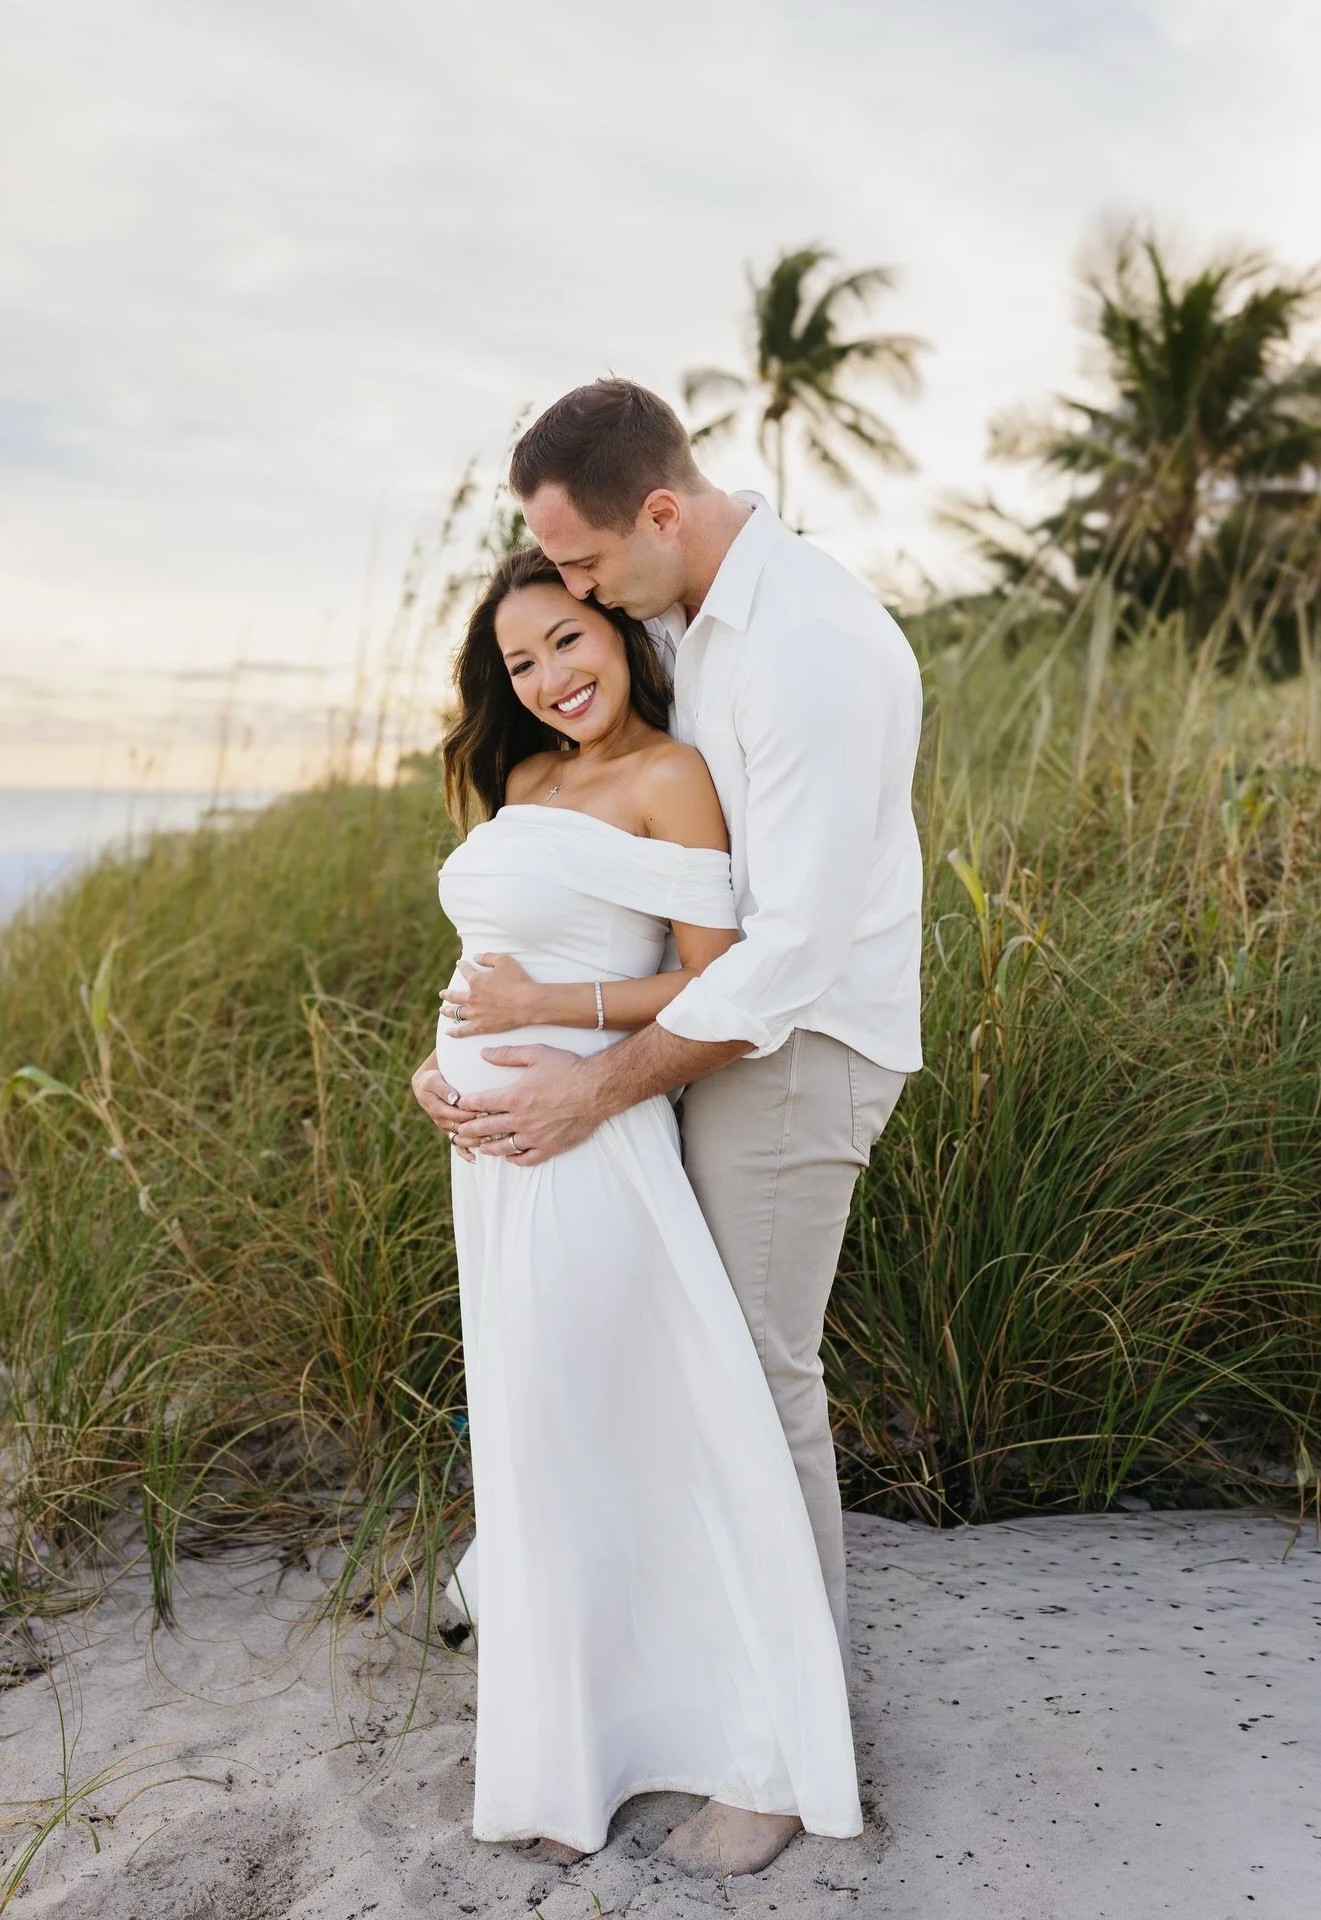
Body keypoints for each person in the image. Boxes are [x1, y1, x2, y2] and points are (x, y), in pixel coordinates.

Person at [413, 377, 924, 1876]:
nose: (575, 601)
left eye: (581, 571)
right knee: (682, 1362)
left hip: (797, 1041)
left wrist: (592, 1080)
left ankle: (780, 1756)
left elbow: (788, 948)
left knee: (753, 1376)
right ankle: (652, 1662)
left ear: (658, 511)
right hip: (702, 1039)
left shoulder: (811, 645)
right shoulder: (692, 624)